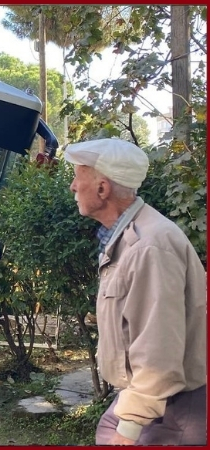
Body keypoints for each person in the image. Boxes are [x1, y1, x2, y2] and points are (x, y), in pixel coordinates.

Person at [64, 138, 206, 445]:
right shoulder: (130, 235)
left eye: (78, 177)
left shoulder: (148, 247)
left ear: (103, 189)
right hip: (150, 401)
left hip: (169, 408)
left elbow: (158, 350)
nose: (73, 187)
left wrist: (128, 429)